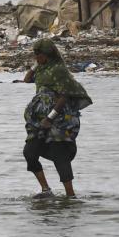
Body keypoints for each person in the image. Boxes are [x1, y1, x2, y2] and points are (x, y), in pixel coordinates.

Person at [22, 38, 91, 198]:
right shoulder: (41, 68)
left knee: (60, 154)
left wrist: (50, 118)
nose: (36, 57)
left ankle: (70, 196)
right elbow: (26, 79)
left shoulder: (59, 70)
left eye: (39, 55)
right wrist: (36, 64)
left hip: (60, 119)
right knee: (29, 153)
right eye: (35, 54)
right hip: (39, 119)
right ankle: (46, 190)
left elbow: (64, 95)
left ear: (48, 54)